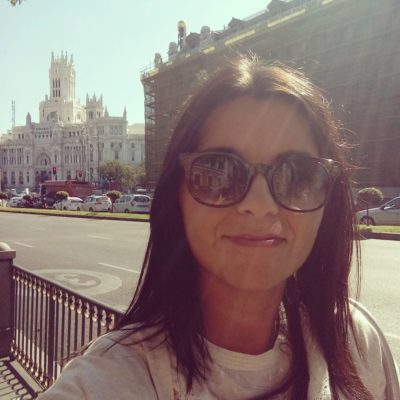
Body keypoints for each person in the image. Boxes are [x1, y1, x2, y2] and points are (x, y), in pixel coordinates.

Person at [38, 55, 396, 399]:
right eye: (219, 171)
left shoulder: (356, 342)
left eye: (298, 175)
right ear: (176, 196)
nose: (259, 205)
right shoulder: (107, 382)